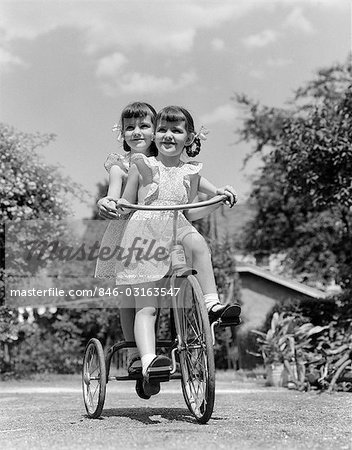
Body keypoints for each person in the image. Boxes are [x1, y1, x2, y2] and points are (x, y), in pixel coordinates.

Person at [116, 105, 241, 396]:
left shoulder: (192, 171)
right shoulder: (143, 166)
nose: (168, 135)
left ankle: (211, 305)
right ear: (155, 136)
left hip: (177, 226)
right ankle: (149, 362)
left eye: (176, 130)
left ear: (190, 138)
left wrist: (221, 197)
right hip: (145, 232)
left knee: (197, 242)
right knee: (147, 307)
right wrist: (120, 204)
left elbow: (193, 211)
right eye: (162, 130)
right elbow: (126, 200)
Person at [94, 101, 158, 398]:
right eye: (130, 127)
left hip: (161, 231)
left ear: (156, 130)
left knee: (155, 299)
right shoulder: (120, 164)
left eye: (144, 126)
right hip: (129, 232)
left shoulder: (164, 161)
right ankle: (136, 354)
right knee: (128, 298)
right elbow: (113, 192)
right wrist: (107, 201)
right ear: (122, 133)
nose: (137, 132)